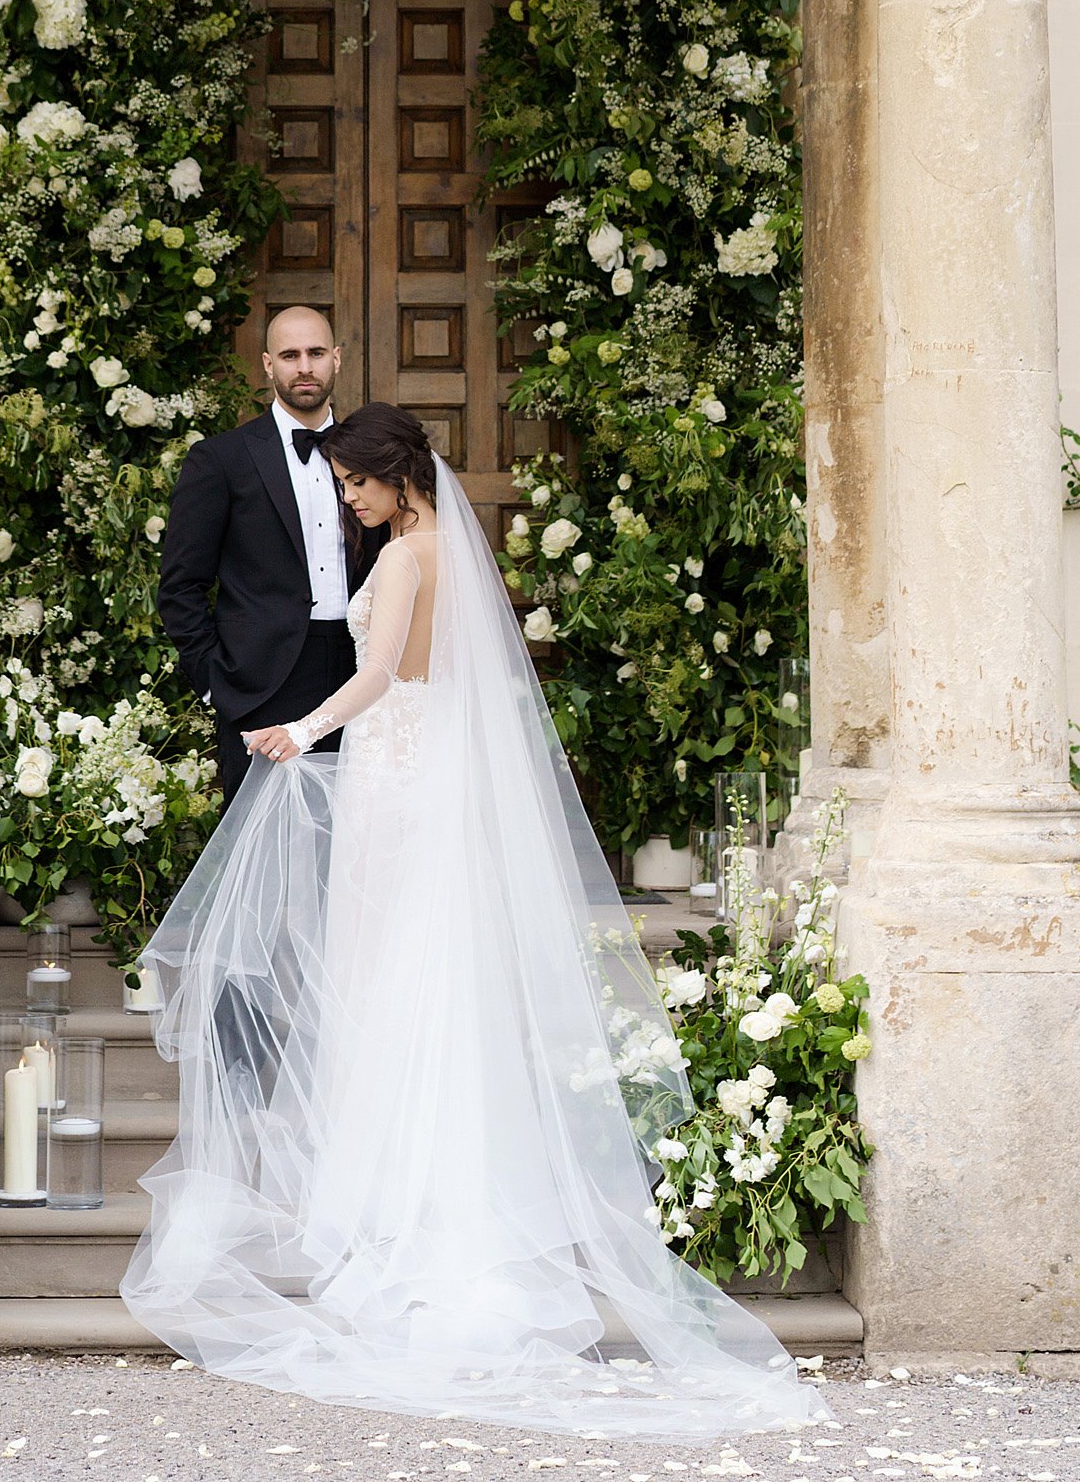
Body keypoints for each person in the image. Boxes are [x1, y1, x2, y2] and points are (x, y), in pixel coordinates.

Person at [122, 402, 824, 1439]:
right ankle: (439, 1203)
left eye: (356, 484)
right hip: (431, 774)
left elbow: (375, 675)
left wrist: (297, 731)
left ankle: (406, 1217)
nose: (348, 502)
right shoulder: (453, 543)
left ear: (393, 476)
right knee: (431, 980)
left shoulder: (406, 557)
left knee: (391, 981)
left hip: (397, 784)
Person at [157, 307, 387, 807]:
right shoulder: (220, 460)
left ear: (337, 359)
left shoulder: (371, 458)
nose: (304, 366)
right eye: (290, 355)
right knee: (265, 854)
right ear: (268, 364)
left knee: (357, 842)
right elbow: (180, 585)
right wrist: (218, 684)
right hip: (261, 683)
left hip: (360, 675)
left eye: (316, 353)